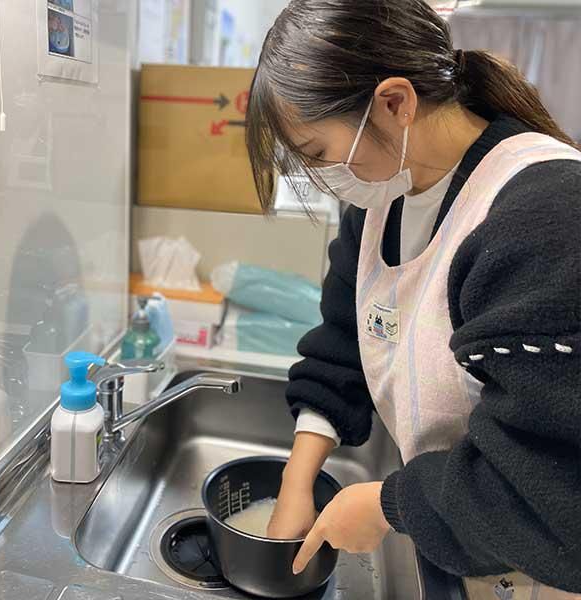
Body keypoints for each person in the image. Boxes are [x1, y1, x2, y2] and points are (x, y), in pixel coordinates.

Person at [245, 1, 581, 598]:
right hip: (462, 541)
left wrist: (387, 505)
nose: (324, 176)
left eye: (318, 153)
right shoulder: (382, 200)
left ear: (395, 102)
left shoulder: (543, 218)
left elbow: (554, 494)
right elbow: (345, 343)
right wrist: (297, 480)